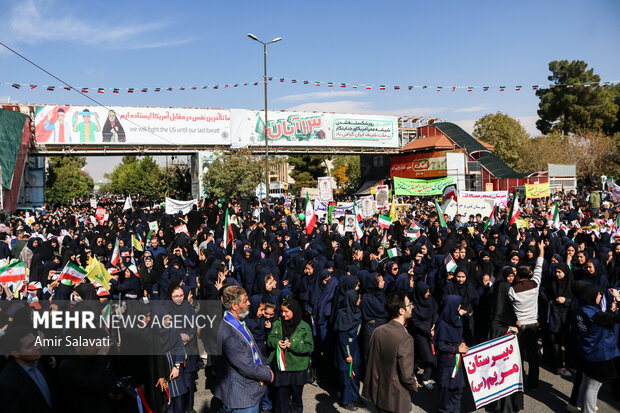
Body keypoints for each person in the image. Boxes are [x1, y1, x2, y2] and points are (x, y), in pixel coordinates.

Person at [214, 286, 274, 413]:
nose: (249, 303)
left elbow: (254, 348)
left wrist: (266, 365)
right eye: (245, 301)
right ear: (235, 306)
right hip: (242, 397)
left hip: (250, 392)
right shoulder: (229, 332)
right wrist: (268, 374)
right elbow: (246, 366)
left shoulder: (238, 322)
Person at [363, 290, 418, 413]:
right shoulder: (405, 338)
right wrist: (414, 384)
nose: (412, 307)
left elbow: (372, 361)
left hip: (378, 394)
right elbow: (406, 375)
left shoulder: (378, 331)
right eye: (409, 304)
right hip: (395, 399)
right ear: (401, 311)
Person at [573, 285, 620, 413]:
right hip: (599, 354)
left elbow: (602, 321)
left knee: (585, 380)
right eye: (598, 294)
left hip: (586, 350)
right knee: (593, 387)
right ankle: (589, 411)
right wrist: (618, 299)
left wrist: (610, 311)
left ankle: (579, 404)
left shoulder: (579, 309)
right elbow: (614, 319)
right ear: (592, 296)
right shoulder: (596, 315)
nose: (600, 297)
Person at [267, 295, 314, 413]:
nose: (283, 314)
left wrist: (291, 345)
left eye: (286, 312)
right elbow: (270, 340)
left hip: (298, 370)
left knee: (297, 401)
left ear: (294, 311)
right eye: (282, 311)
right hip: (282, 370)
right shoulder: (278, 323)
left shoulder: (304, 327)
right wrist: (277, 342)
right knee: (281, 401)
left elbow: (309, 347)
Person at [508, 240, 545, 391]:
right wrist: (541, 250)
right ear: (529, 274)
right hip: (533, 325)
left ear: (517, 275)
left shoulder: (512, 290)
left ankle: (518, 382)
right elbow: (540, 266)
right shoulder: (535, 284)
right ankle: (533, 383)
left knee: (518, 355)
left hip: (519, 326)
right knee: (533, 355)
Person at [0, 327, 55, 413]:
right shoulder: (7, 383)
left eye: (36, 342)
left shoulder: (39, 361)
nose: (37, 347)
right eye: (30, 346)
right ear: (16, 353)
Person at [435, 295, 469, 413]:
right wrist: (457, 349)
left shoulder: (455, 319)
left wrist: (463, 343)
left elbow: (458, 337)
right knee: (446, 395)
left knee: (457, 391)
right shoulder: (442, 325)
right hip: (447, 366)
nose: (459, 307)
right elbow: (440, 346)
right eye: (458, 305)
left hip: (456, 364)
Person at [333, 289, 363, 410]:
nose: (360, 301)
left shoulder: (356, 312)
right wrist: (347, 354)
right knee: (346, 378)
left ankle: (355, 398)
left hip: (354, 348)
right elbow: (342, 336)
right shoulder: (343, 315)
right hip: (346, 350)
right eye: (358, 298)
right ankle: (346, 401)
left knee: (355, 376)